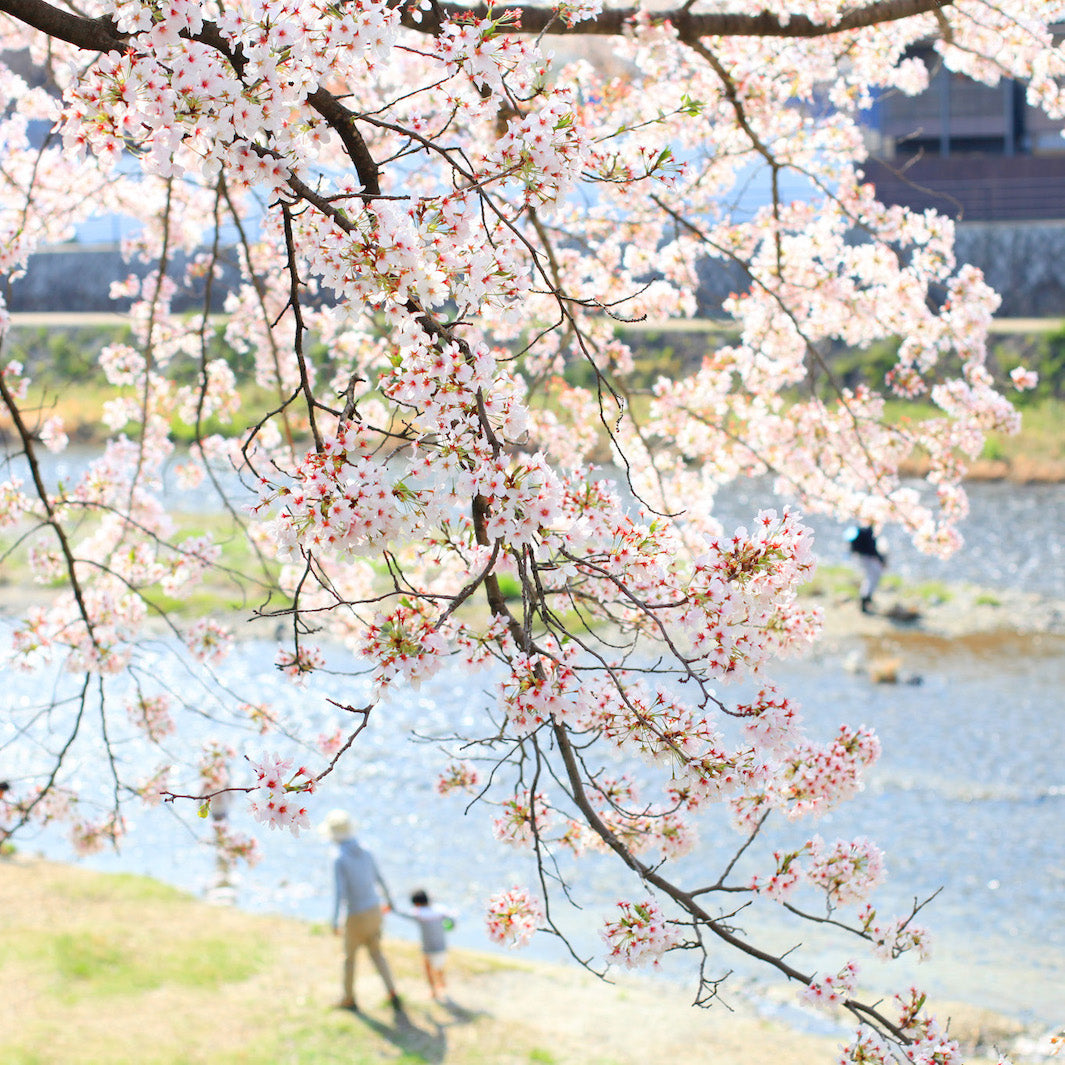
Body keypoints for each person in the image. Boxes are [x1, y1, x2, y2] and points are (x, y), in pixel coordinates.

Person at [321, 808, 403, 1014]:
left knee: (349, 958)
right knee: (376, 952)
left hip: (356, 914)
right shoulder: (366, 850)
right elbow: (380, 879)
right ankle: (392, 992)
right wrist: (390, 902)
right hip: (375, 909)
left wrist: (335, 921)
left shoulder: (338, 858)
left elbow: (340, 893)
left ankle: (348, 999)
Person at [392, 889, 455, 1000]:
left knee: (428, 968)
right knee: (439, 966)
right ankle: (442, 983)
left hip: (428, 948)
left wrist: (392, 908)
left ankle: (433, 991)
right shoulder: (440, 910)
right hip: (442, 946)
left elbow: (404, 914)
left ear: (416, 903)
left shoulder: (419, 913)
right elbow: (452, 920)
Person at [846, 524, 887, 614]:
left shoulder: (864, 530)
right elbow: (872, 548)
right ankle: (865, 600)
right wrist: (880, 558)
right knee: (872, 577)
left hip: (862, 557)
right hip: (866, 557)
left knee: (871, 577)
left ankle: (867, 599)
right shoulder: (869, 532)